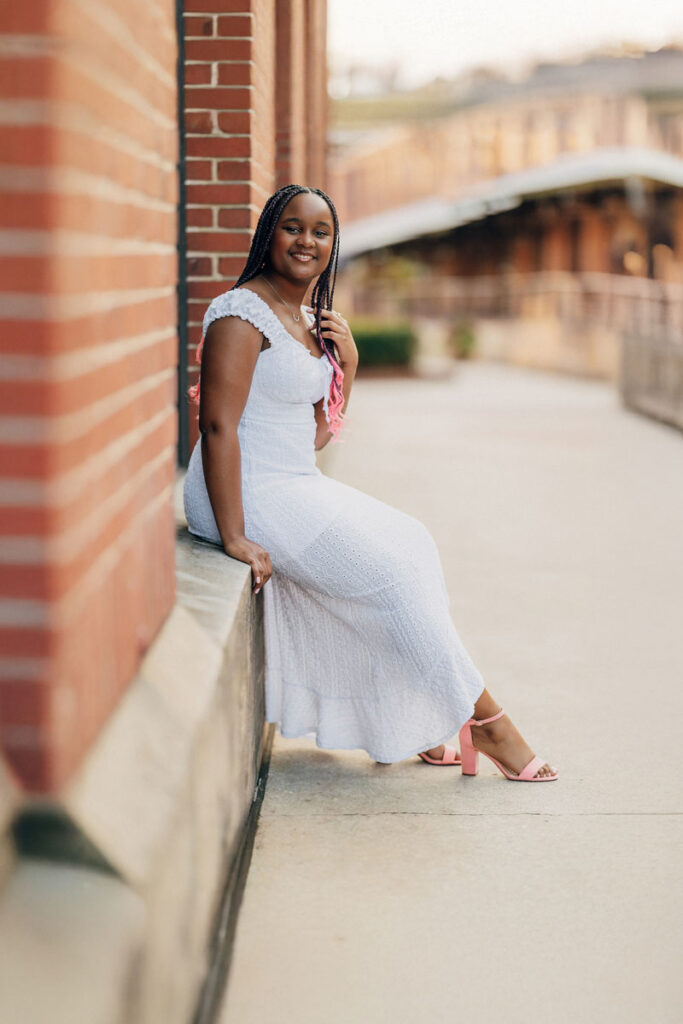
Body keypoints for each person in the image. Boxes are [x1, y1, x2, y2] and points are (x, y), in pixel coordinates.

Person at [183, 184, 557, 782]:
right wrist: (234, 535)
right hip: (241, 490)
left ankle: (424, 720)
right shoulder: (240, 313)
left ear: (333, 246)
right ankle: (485, 720)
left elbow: (311, 438)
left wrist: (347, 367)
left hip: (290, 480)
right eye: (293, 227)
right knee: (388, 578)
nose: (307, 240)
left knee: (412, 543)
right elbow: (218, 426)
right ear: (268, 236)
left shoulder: (307, 321)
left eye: (321, 231)